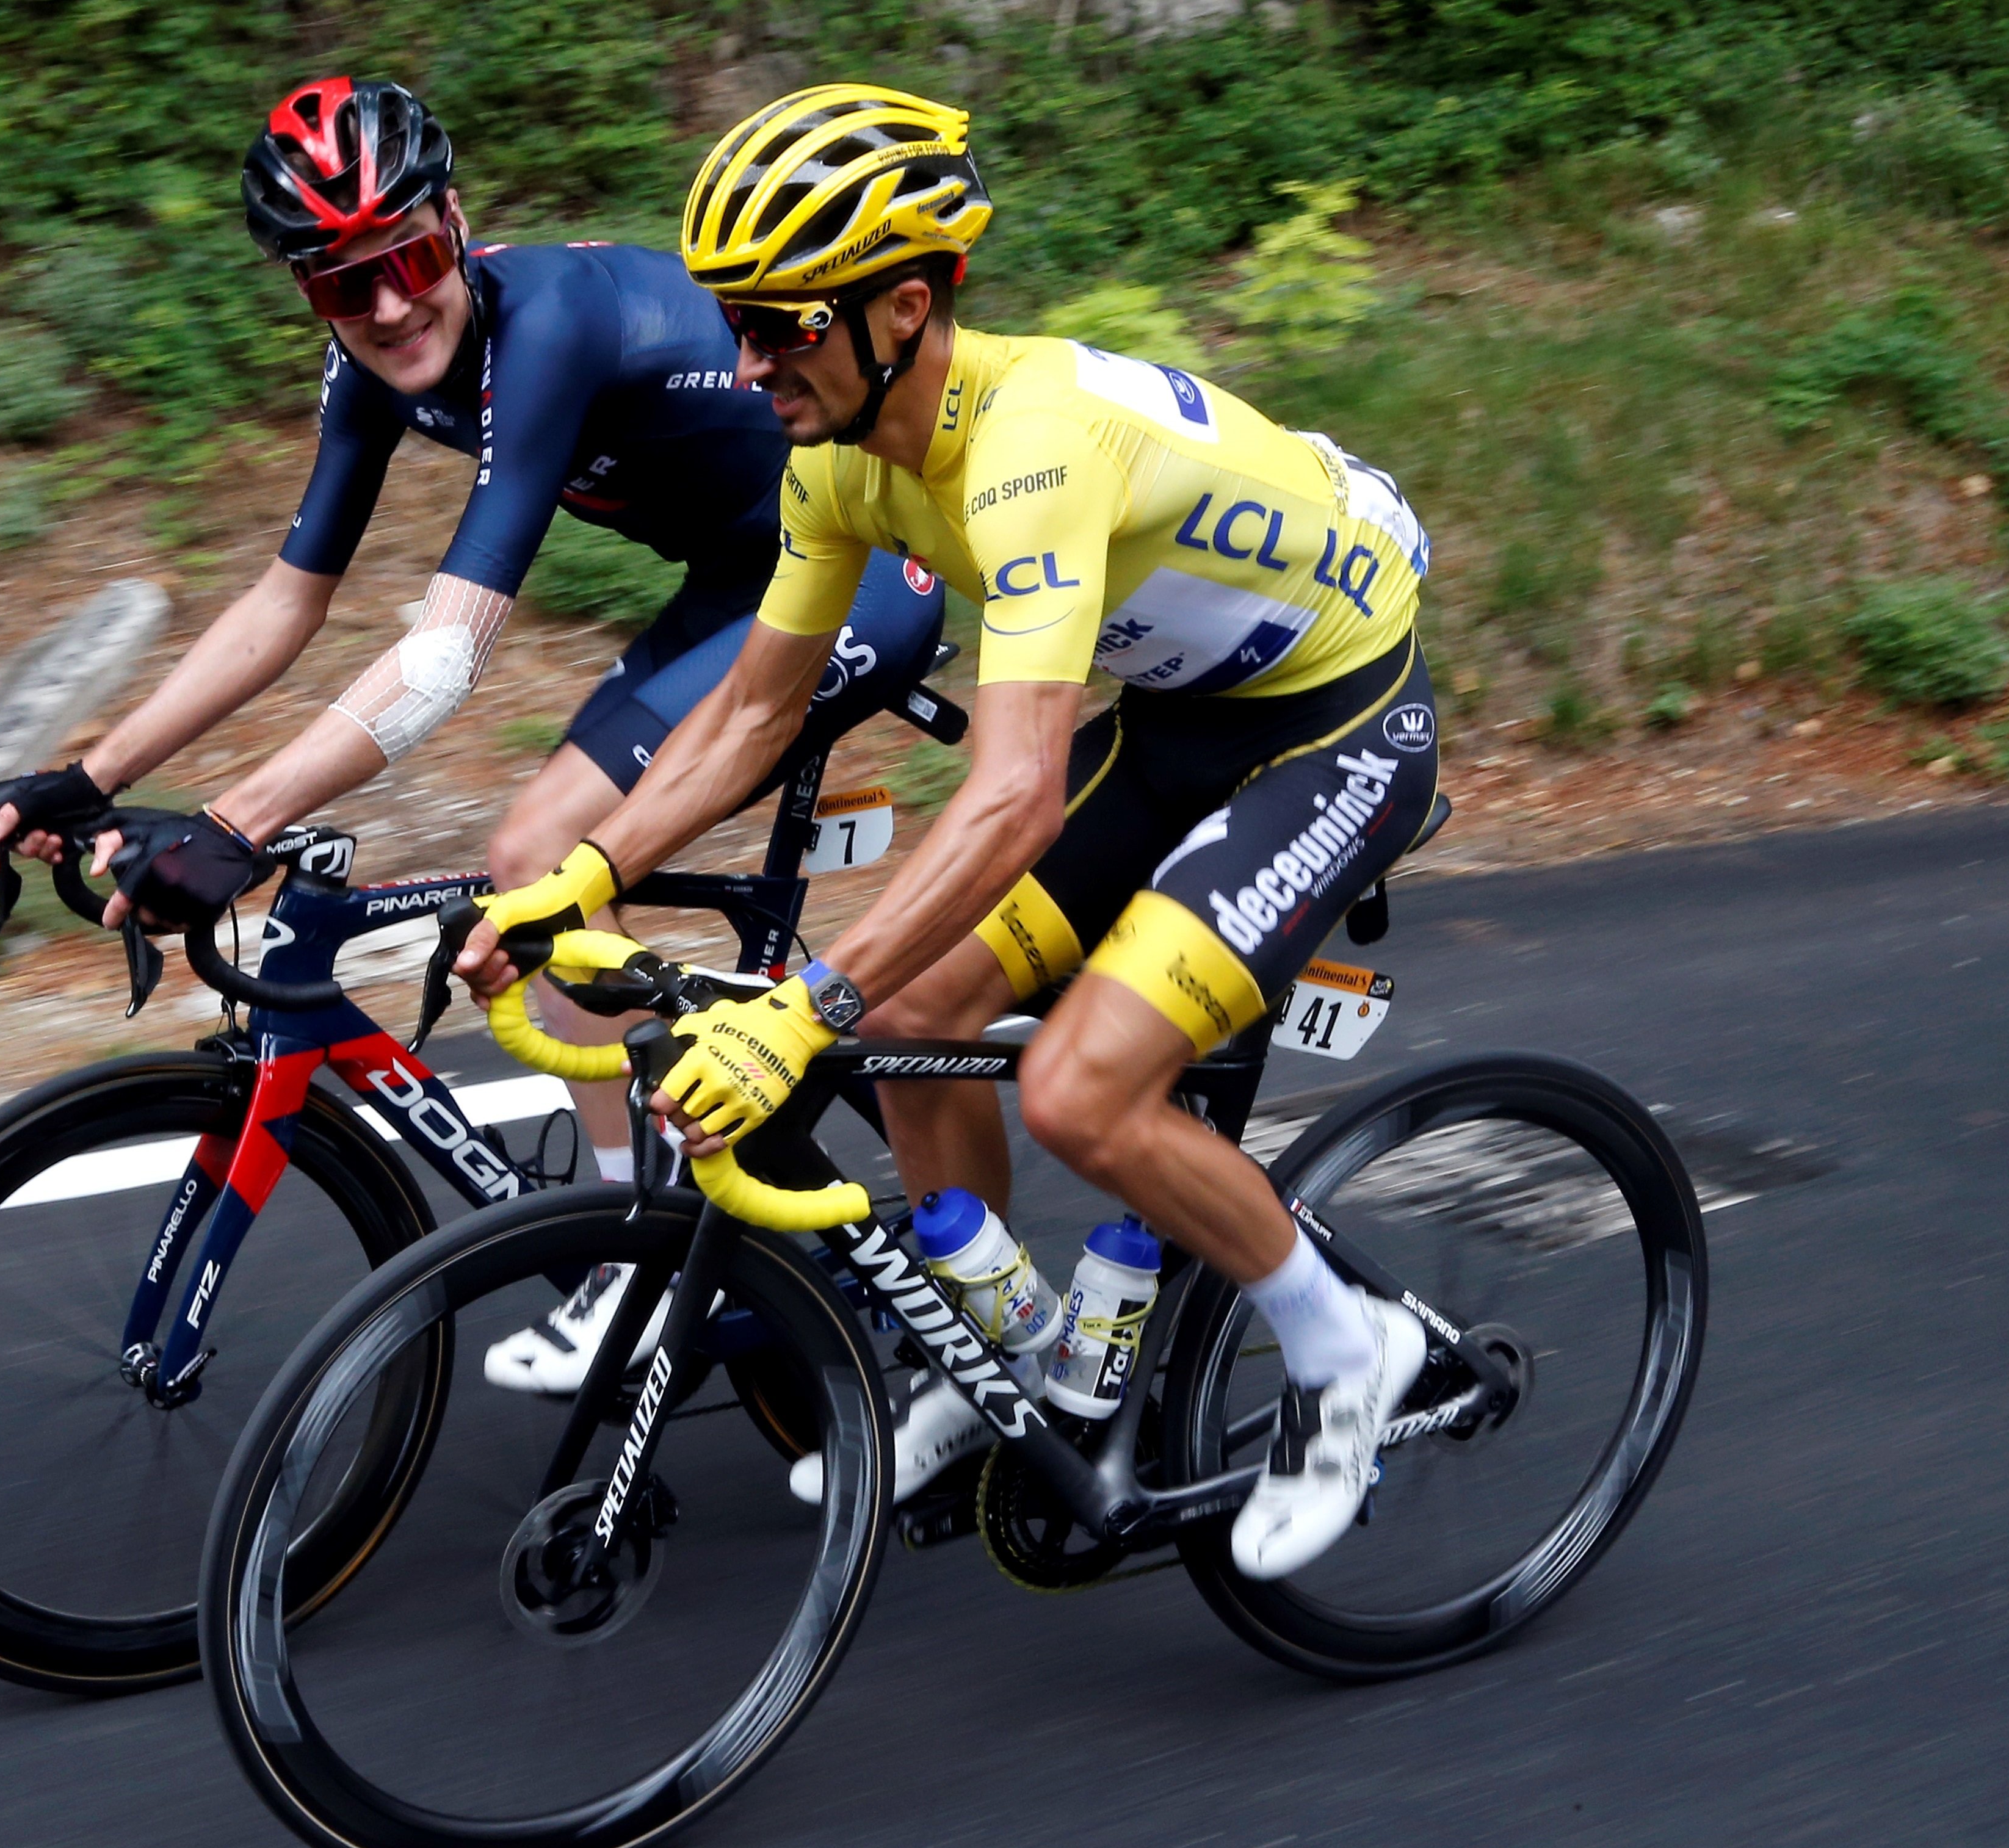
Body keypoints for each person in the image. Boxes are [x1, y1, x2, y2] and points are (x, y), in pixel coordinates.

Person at [462, 84, 1441, 1582]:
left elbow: (1010, 795)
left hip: (1332, 725)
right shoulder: (839, 457)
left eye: (780, 322)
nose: (743, 361)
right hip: (1190, 716)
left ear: (903, 309)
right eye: (733, 318)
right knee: (917, 1007)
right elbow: (742, 718)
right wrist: (582, 875)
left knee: (1079, 1089)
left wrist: (801, 1009)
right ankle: (1008, 1354)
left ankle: (1345, 1342)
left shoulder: (1030, 452)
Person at [0, 76, 943, 1395]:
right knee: (544, 868)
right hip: (744, 577)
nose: (384, 307)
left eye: (409, 260)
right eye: (337, 285)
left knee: (539, 852)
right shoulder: (369, 365)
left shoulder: (545, 326)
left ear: (457, 222)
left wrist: (230, 826)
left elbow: (442, 660)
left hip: (870, 563)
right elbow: (286, 599)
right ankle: (669, 1218)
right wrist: (90, 776)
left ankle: (626, 1262)